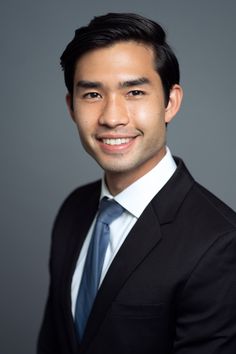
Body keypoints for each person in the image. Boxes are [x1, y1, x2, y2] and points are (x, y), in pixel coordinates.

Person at [37, 13, 236, 354]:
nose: (113, 117)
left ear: (170, 102)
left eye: (135, 92)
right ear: (71, 107)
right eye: (92, 95)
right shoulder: (74, 209)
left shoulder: (220, 243)